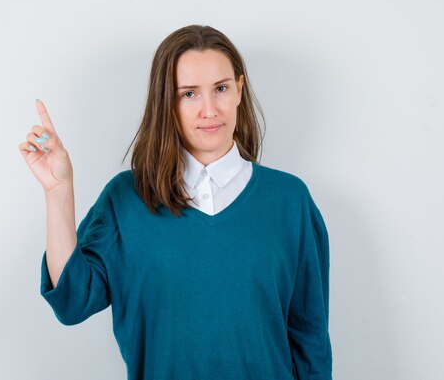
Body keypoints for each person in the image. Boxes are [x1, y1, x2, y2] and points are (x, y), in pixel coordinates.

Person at [18, 24, 332, 380]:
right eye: (189, 94)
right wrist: (58, 192)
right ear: (166, 101)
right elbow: (72, 302)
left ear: (240, 90)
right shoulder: (126, 199)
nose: (210, 110)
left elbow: (310, 341)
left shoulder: (290, 201)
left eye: (221, 89)